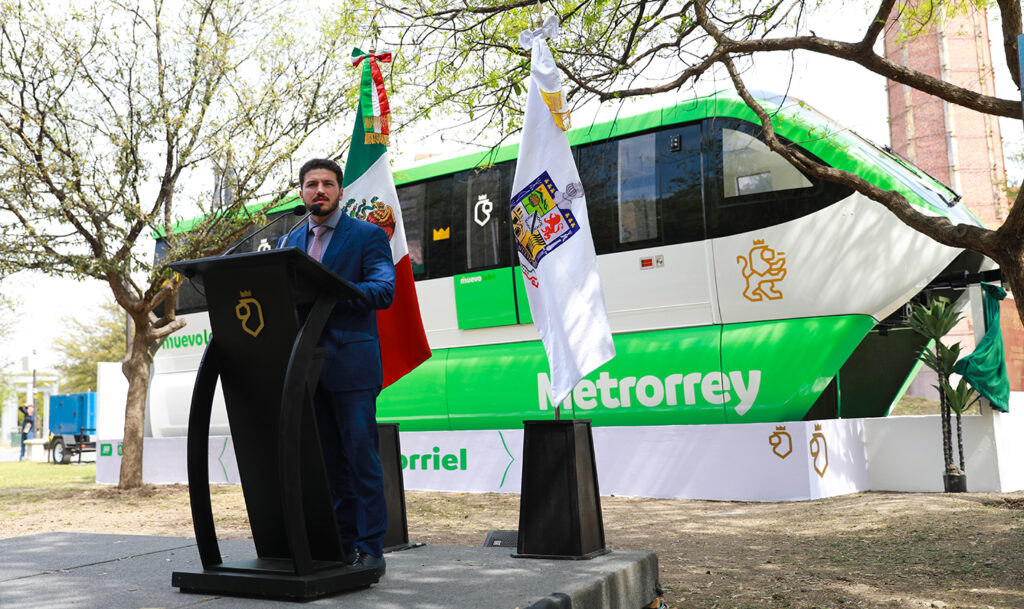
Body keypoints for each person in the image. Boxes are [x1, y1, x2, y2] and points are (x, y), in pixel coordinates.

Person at [277, 158, 395, 576]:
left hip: (352, 365)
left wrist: (329, 292)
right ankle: (342, 545)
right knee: (329, 463)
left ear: (341, 192)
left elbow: (383, 290)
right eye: (311, 184)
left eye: (328, 184)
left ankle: (371, 548)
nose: (319, 190)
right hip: (305, 368)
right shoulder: (288, 240)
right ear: (302, 193)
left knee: (360, 459)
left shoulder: (366, 236)